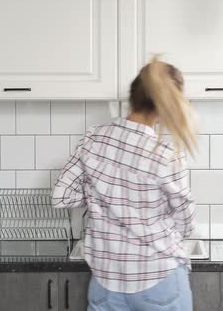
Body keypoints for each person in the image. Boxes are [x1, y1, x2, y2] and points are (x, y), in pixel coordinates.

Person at [52, 57, 197, 311]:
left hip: (106, 283)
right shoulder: (165, 151)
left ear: (132, 97)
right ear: (166, 106)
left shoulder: (94, 138)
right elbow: (186, 223)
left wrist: (103, 193)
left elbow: (61, 197)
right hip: (159, 278)